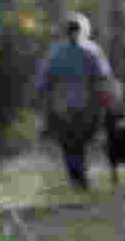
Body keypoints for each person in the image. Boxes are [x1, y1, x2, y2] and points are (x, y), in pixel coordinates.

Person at [32, 12, 117, 189]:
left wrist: (42, 97)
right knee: (77, 143)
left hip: (66, 107)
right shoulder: (92, 51)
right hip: (82, 107)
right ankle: (79, 179)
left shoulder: (57, 53)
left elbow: (43, 80)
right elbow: (104, 77)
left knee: (72, 144)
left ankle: (78, 179)